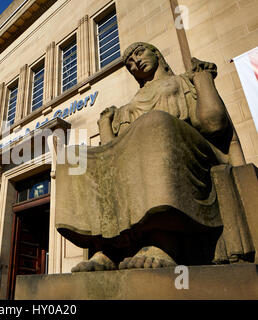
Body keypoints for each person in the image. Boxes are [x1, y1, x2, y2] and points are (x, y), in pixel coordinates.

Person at [55, 42, 246, 272]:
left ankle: (163, 241)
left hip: (187, 149)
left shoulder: (184, 80)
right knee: (73, 157)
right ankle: (108, 248)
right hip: (142, 152)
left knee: (154, 122)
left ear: (157, 53)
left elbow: (213, 124)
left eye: (138, 54)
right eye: (128, 63)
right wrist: (105, 125)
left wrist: (203, 80)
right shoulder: (127, 107)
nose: (134, 63)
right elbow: (113, 154)